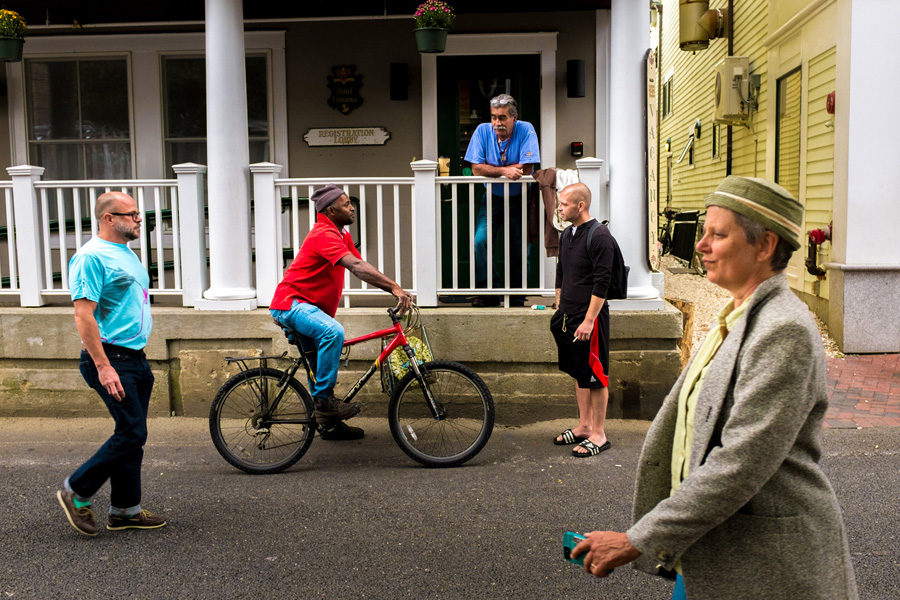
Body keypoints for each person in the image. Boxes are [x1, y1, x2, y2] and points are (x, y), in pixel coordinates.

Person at [572, 176, 859, 599]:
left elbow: (740, 463)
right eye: (704, 232)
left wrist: (637, 539)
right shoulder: (735, 314)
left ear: (764, 246)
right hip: (712, 553)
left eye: (717, 235)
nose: (701, 245)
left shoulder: (785, 330)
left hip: (770, 566)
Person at [57, 192, 166, 536]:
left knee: (131, 435)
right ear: (108, 218)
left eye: (138, 213)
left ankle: (125, 510)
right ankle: (76, 490)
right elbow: (83, 314)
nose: (138, 219)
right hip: (110, 358)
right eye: (131, 214)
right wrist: (103, 366)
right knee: (133, 432)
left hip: (134, 357)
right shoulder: (91, 257)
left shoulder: (126, 254)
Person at [270, 184, 414, 441]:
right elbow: (357, 266)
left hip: (306, 308)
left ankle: (328, 424)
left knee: (317, 362)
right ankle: (325, 402)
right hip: (290, 303)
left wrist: (393, 289)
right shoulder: (323, 234)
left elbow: (362, 267)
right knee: (332, 331)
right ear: (331, 209)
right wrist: (395, 288)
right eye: (347, 204)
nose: (352, 208)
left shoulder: (341, 235)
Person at [549, 183, 615, 457]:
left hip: (591, 318)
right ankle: (585, 426)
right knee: (579, 373)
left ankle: (599, 435)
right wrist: (558, 302)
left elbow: (602, 282)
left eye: (563, 204)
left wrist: (589, 320)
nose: (559, 208)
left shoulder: (600, 236)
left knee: (596, 376)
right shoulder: (567, 235)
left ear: (580, 206)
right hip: (569, 315)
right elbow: (562, 270)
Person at [464, 93, 540, 307]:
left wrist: (495, 170)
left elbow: (526, 168)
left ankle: (516, 296)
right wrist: (505, 171)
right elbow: (476, 169)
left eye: (503, 118)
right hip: (492, 197)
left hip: (519, 198)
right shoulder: (482, 131)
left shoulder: (526, 129)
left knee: (519, 248)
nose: (497, 123)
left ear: (514, 118)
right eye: (494, 117)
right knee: (480, 240)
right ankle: (488, 292)